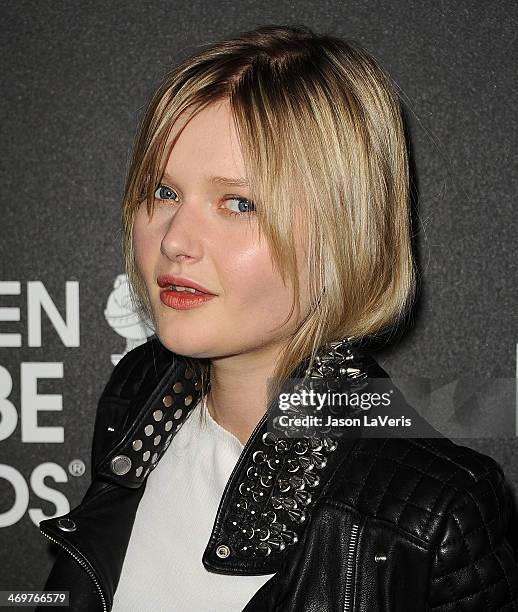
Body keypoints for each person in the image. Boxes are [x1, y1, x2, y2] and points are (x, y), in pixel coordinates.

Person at [37, 24, 518, 611]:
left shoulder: (433, 515)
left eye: (239, 203)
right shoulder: (140, 391)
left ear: (344, 233)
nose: (175, 241)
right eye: (163, 193)